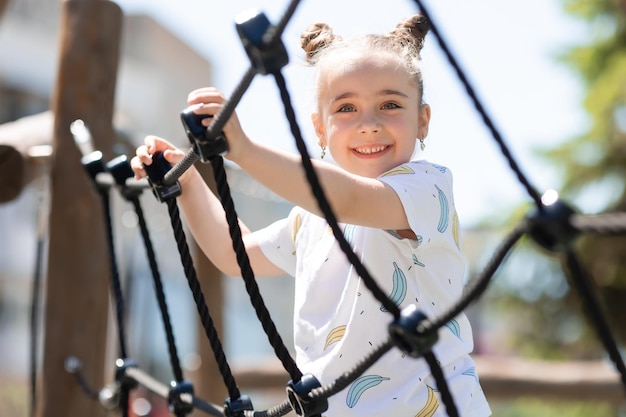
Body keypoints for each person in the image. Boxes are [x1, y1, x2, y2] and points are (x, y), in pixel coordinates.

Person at [131, 13, 491, 417]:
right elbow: (237, 256)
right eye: (346, 108)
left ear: (422, 120)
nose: (368, 124)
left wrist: (244, 150)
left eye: (390, 104)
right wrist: (190, 184)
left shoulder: (426, 189)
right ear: (319, 130)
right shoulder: (311, 218)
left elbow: (348, 199)